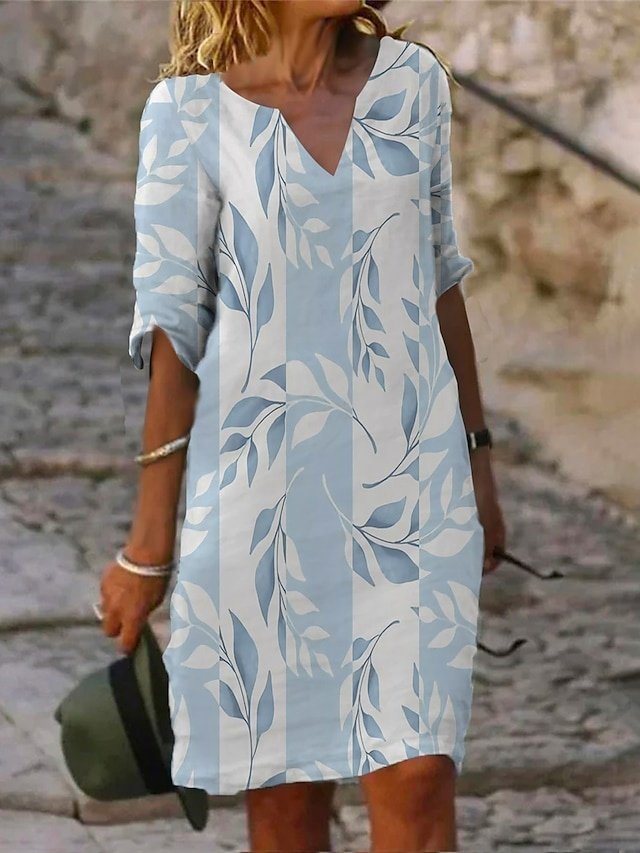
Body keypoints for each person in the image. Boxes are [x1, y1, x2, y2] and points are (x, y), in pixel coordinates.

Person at [99, 1, 506, 850]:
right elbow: (175, 332)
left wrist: (478, 459)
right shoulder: (188, 113)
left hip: (412, 486)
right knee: (286, 803)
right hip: (262, 507)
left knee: (419, 774)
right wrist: (148, 545)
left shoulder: (412, 85)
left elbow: (440, 277)